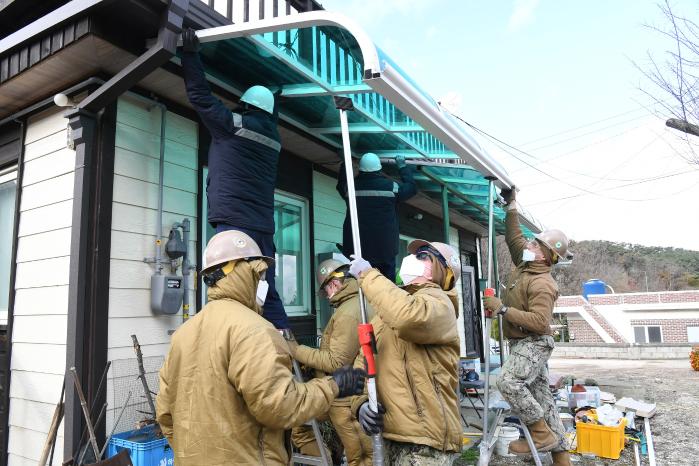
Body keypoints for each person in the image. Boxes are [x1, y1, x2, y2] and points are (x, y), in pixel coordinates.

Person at [156, 230, 366, 465]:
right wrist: (334, 385)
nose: (263, 283)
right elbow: (281, 406)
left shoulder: (183, 334)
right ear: (246, 272)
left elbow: (165, 414)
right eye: (261, 274)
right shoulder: (255, 330)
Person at [180, 27, 288, 329]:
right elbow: (269, 118)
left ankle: (234, 345)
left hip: (235, 225)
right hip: (263, 228)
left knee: (230, 288)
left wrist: (190, 55)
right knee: (267, 290)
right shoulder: (274, 139)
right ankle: (288, 350)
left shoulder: (234, 124)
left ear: (245, 105)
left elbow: (200, 97)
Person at [347, 240, 462, 466]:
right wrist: (359, 403)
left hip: (425, 442)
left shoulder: (440, 304)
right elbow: (363, 361)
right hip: (390, 435)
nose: (412, 259)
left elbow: (408, 318)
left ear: (437, 269)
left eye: (422, 255)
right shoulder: (390, 308)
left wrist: (369, 275)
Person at [483, 187, 572, 466]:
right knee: (543, 401)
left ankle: (540, 433)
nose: (528, 246)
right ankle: (562, 460)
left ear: (546, 256)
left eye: (535, 245)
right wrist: (512, 206)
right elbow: (513, 237)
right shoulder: (525, 264)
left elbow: (539, 322)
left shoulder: (543, 283)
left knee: (507, 382)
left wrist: (503, 309)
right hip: (522, 343)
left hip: (534, 342)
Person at [288, 259, 374, 465]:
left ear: (333, 285)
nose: (326, 296)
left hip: (345, 398)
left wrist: (295, 349)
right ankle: (329, 459)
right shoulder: (359, 302)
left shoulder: (347, 313)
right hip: (346, 393)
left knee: (361, 458)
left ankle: (326, 459)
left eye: (326, 290)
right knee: (299, 422)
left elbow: (336, 361)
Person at [337, 152, 417, 282]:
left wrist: (345, 164)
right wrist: (402, 166)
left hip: (357, 250)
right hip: (385, 250)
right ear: (379, 169)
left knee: (358, 285)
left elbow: (341, 184)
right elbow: (411, 188)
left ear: (361, 169)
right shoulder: (392, 187)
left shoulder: (350, 188)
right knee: (387, 288)